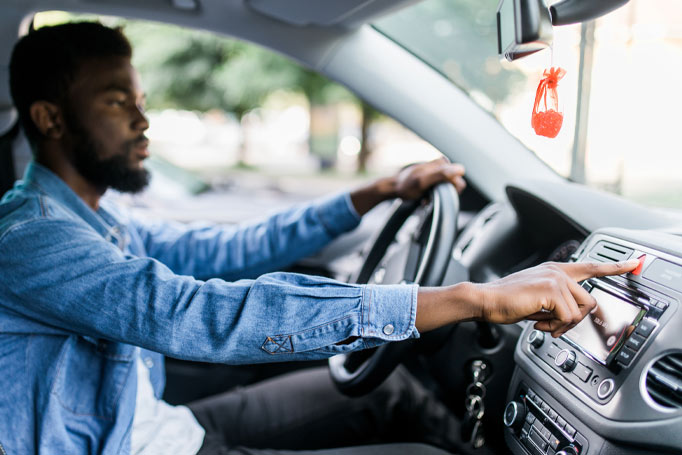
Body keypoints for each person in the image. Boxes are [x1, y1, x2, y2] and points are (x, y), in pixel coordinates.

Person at [0, 22, 638, 455]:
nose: (143, 121)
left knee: (390, 392)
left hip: (160, 427)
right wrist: (474, 299)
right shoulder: (31, 240)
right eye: (117, 102)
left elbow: (228, 254)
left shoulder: (100, 219)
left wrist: (377, 192)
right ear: (50, 118)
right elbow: (193, 314)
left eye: (139, 99)